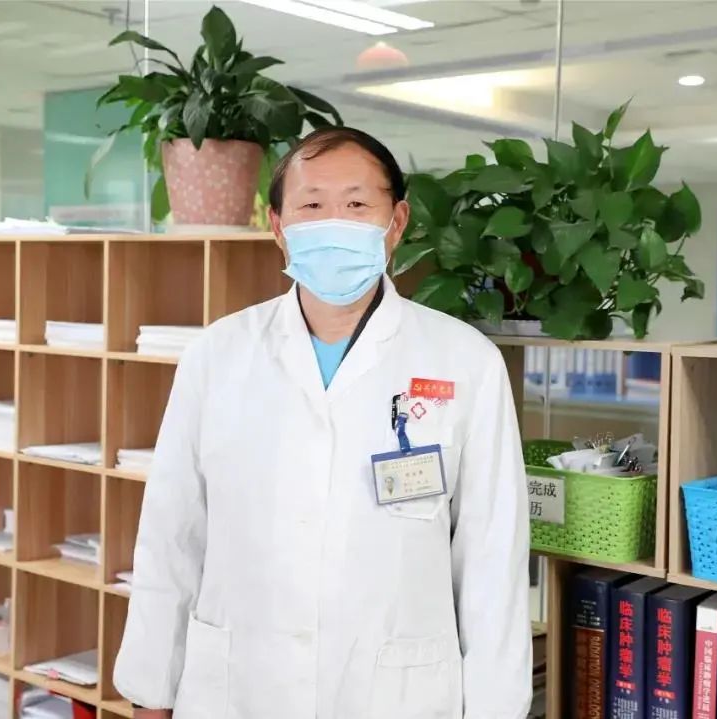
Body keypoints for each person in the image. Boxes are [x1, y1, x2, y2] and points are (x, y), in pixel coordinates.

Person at [114, 127, 532, 719]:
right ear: (278, 227)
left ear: (397, 222)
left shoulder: (465, 362)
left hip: (397, 694)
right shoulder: (218, 354)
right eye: (311, 205)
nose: (335, 223)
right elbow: (172, 534)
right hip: (238, 687)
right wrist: (150, 690)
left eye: (357, 204)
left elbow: (493, 559)